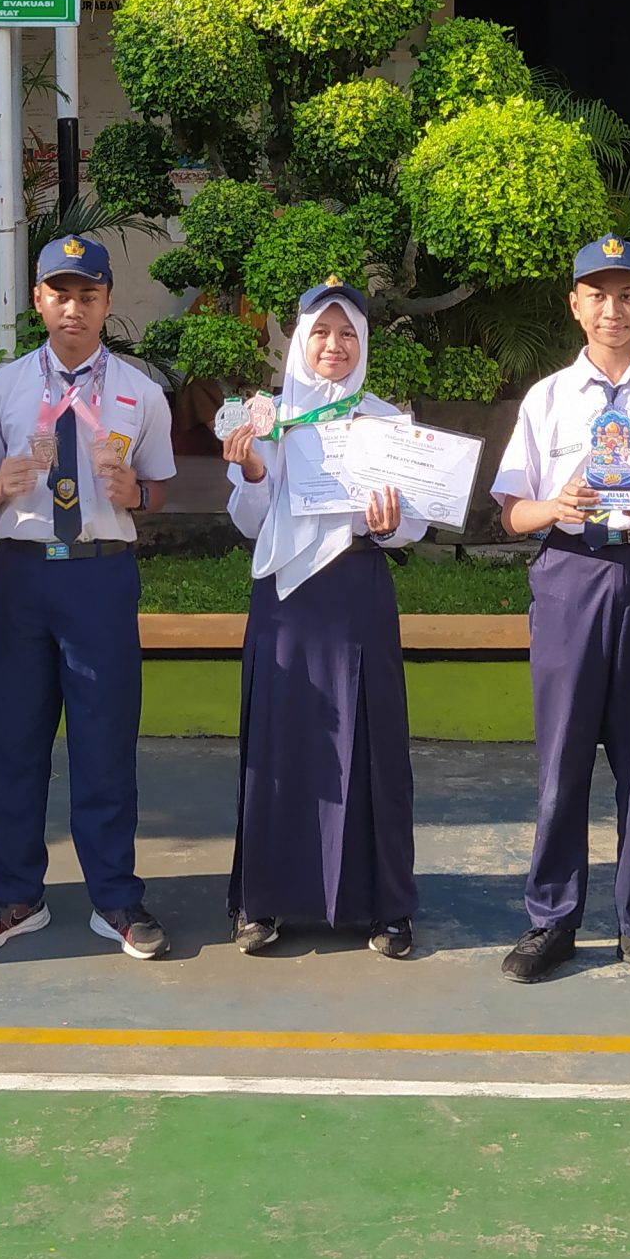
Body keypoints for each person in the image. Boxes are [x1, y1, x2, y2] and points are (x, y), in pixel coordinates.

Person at [490, 235, 630, 989]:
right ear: (575, 305)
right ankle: (552, 919)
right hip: (569, 575)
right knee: (562, 759)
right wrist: (556, 505)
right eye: (597, 295)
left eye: (627, 295)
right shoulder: (547, 398)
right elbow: (512, 514)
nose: (612, 309)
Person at [0, 235, 177, 960]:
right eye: (60, 293)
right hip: (22, 573)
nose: (73, 308)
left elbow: (159, 488)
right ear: (38, 300)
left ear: (107, 302)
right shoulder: (2, 388)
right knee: (11, 740)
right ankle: (15, 894)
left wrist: (135, 493)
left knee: (103, 738)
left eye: (88, 294)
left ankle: (114, 897)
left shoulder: (140, 392)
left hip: (99, 574)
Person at [222, 283, 425, 959]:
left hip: (356, 593)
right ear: (300, 340)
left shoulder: (385, 421)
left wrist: (392, 525)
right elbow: (250, 522)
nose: (334, 346)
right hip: (284, 597)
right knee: (279, 746)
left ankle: (384, 907)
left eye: (347, 334)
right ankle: (263, 903)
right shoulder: (268, 418)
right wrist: (254, 472)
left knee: (371, 745)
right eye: (321, 333)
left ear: (362, 344)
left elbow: (414, 521)